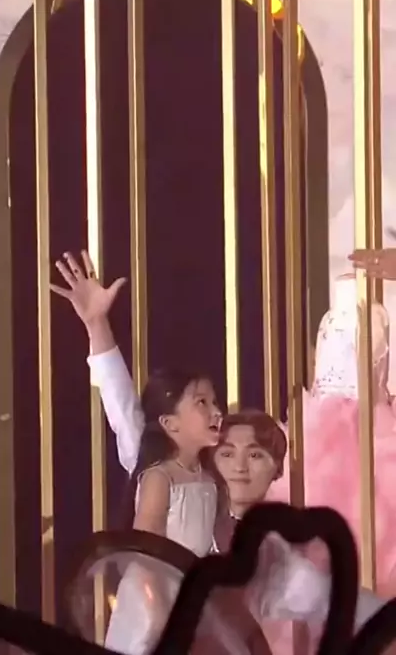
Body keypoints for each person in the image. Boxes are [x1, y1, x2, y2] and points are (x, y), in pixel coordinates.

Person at [51, 252, 386, 654]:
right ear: (171, 425)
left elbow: (322, 596)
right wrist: (97, 325)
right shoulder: (161, 470)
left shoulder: (249, 538)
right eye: (228, 452)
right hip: (153, 623)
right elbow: (123, 408)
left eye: (256, 455)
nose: (239, 465)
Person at [52, 251, 221, 655]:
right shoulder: (152, 466)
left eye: (215, 402)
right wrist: (97, 323)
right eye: (201, 403)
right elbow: (119, 400)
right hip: (155, 612)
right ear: (168, 422)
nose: (216, 412)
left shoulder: (210, 468)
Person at [267, 272, 396, 599]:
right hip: (324, 414)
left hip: (364, 415)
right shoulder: (329, 319)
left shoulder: (374, 316)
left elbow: (377, 372)